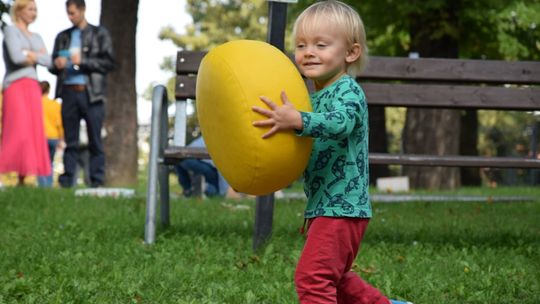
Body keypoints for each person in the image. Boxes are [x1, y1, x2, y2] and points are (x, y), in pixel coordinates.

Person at [252, 1, 412, 303]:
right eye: (301, 45)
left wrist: (299, 119)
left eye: (321, 44)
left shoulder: (347, 91)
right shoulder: (312, 98)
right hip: (323, 205)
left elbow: (341, 124)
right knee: (335, 277)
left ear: (350, 53)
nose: (308, 51)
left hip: (342, 207)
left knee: (313, 278)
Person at [49, 0, 115, 188]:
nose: (71, 17)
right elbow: (53, 65)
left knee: (95, 139)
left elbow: (109, 63)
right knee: (71, 140)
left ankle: (96, 182)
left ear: (83, 10)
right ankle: (67, 181)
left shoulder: (99, 34)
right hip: (68, 92)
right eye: (68, 13)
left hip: (91, 93)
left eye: (73, 13)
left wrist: (83, 61)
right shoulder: (63, 36)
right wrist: (57, 64)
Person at [0, 0, 51, 186]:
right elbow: (16, 56)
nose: (33, 13)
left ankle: (22, 180)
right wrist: (36, 56)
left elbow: (49, 60)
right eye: (30, 9)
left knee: (31, 132)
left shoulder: (36, 36)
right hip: (15, 85)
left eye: (35, 9)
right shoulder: (11, 31)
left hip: (32, 86)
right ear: (19, 10)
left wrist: (31, 55)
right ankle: (5, 174)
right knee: (17, 131)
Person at [37, 81, 64, 187]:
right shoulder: (55, 104)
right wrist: (61, 138)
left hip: (40, 136)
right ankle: (49, 184)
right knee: (50, 162)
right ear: (49, 90)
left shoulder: (36, 104)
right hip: (53, 136)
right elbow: (59, 122)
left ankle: (43, 185)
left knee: (41, 162)